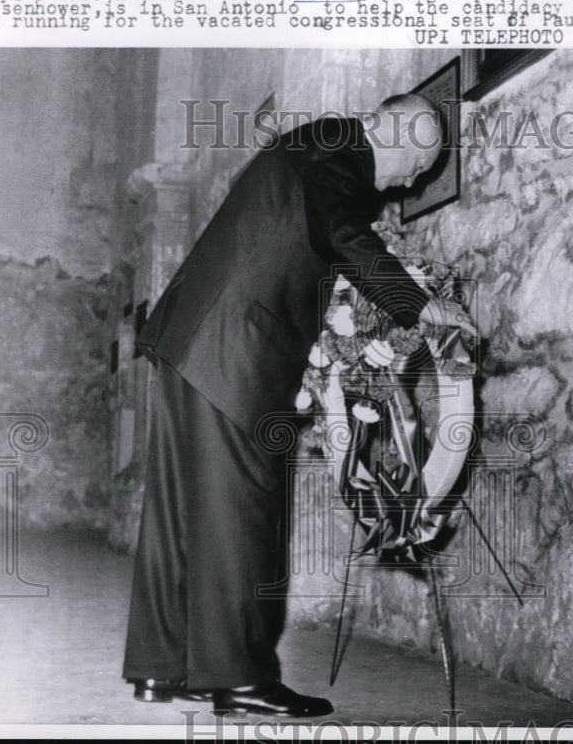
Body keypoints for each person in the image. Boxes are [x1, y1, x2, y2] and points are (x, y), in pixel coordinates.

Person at [122, 93, 475, 717]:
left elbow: (294, 240)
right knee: (243, 509)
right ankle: (237, 678)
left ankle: (161, 665)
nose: (407, 181)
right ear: (388, 128)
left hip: (193, 339)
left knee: (182, 508)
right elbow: (339, 232)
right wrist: (420, 306)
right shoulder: (340, 144)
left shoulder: (313, 146)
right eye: (414, 162)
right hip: (233, 347)